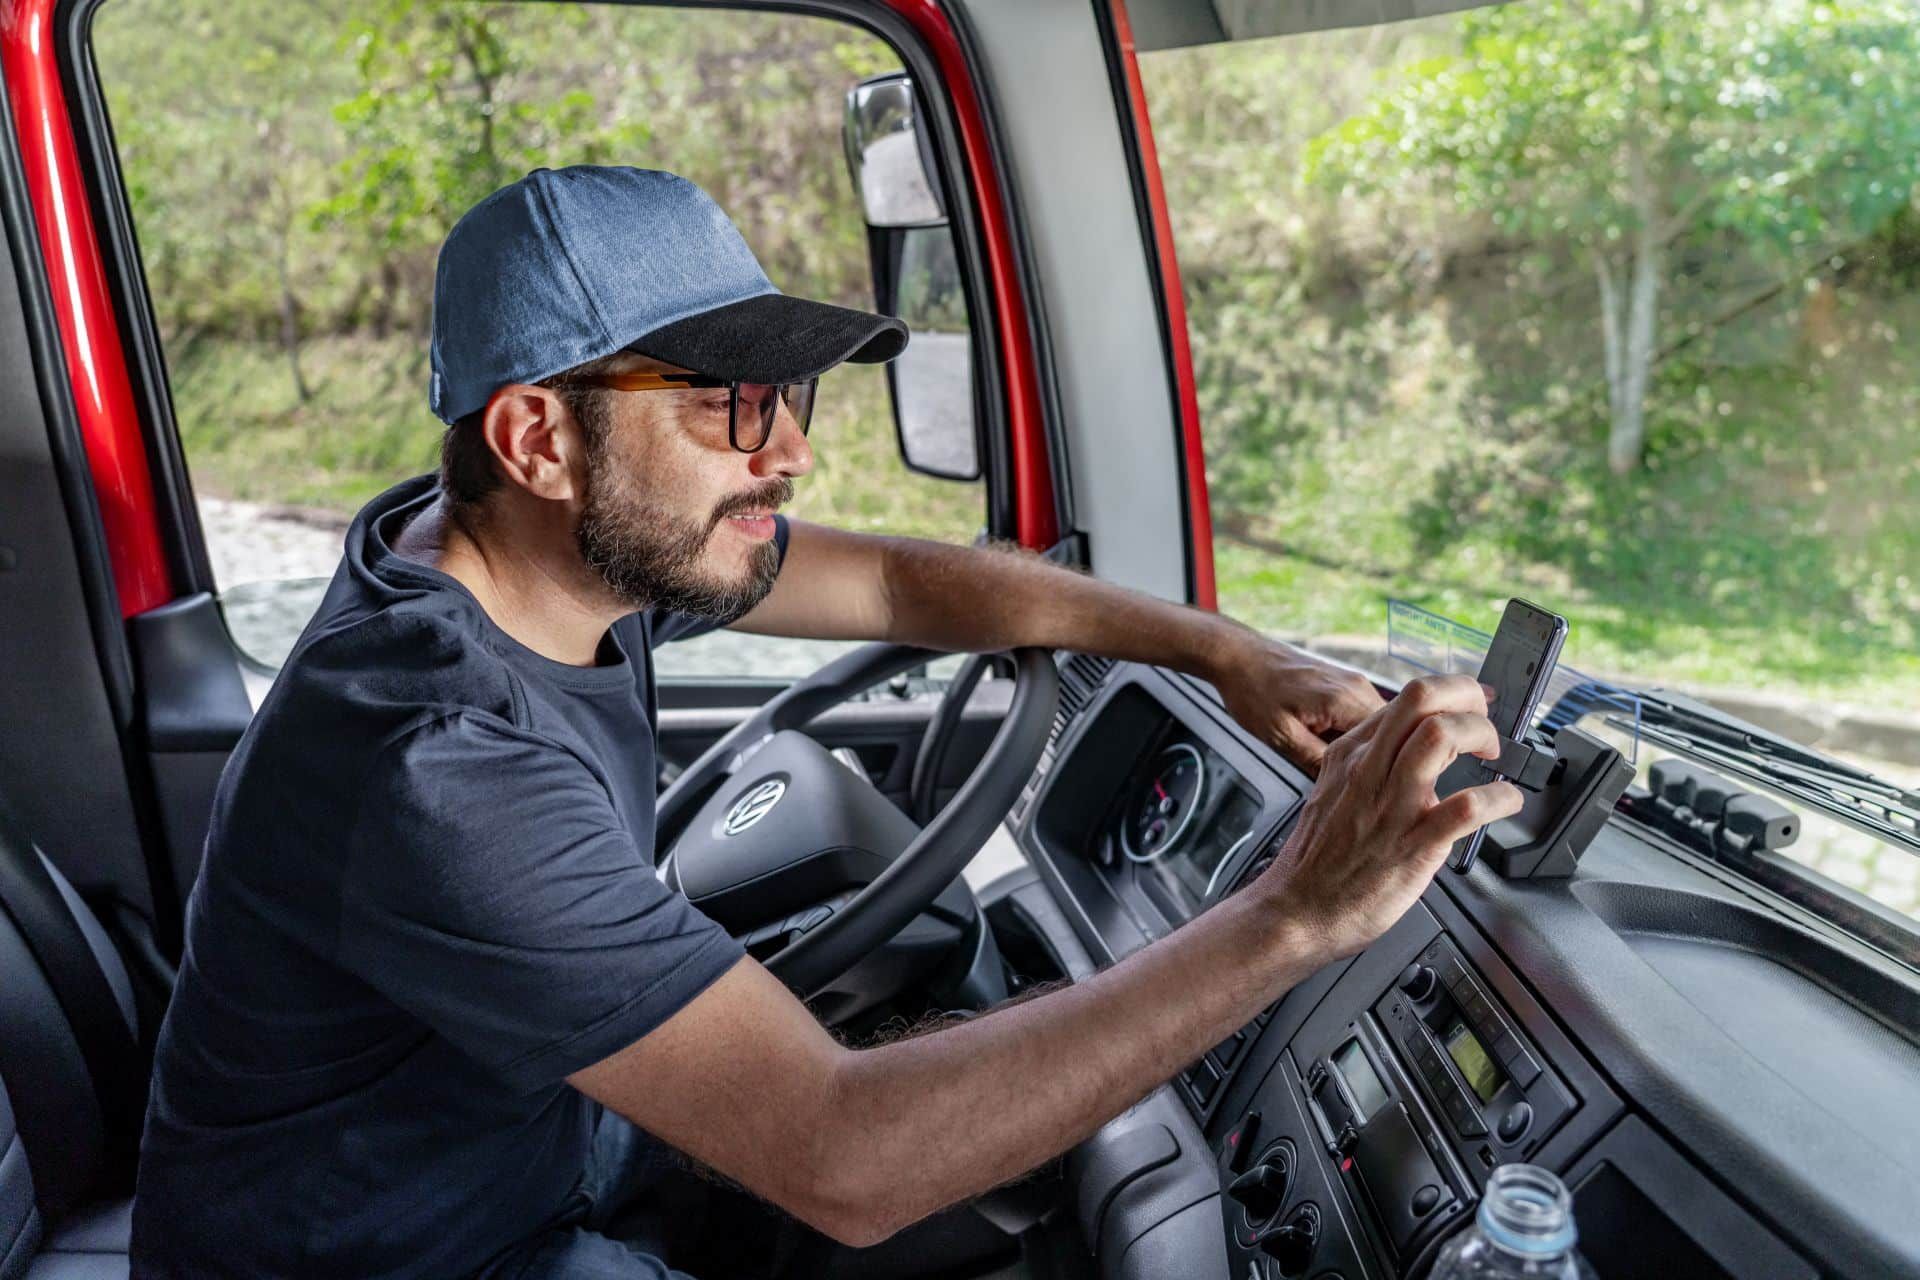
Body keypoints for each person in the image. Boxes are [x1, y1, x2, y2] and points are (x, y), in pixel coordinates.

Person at [130, 165, 1520, 1279]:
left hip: (520, 1156)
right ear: (536, 438)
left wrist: (1224, 650)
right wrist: (1293, 913)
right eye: (730, 405)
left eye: (788, 398)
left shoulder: (529, 559)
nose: (787, 450)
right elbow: (844, 1156)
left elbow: (911, 580)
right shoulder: (436, 762)